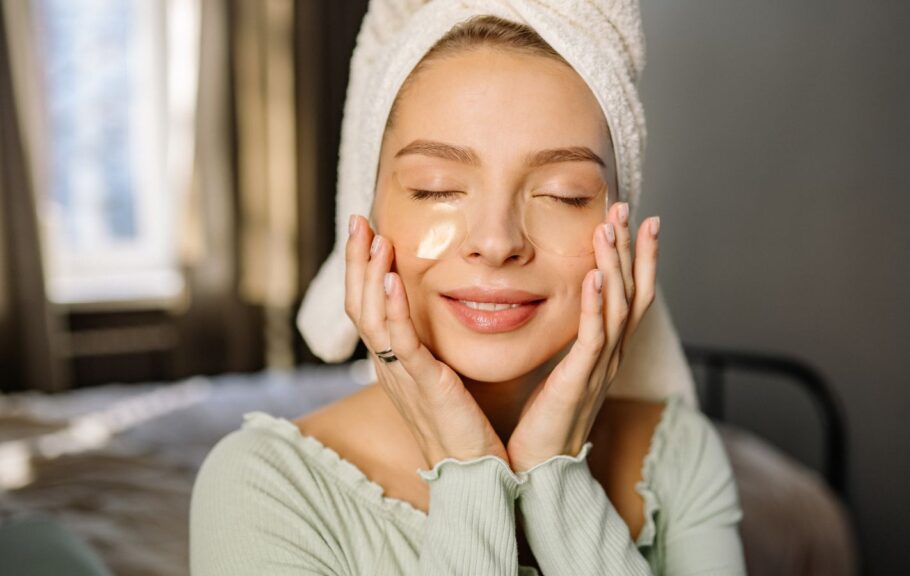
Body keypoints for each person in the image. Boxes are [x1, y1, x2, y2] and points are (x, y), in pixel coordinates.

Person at [190, 6, 745, 576]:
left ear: (620, 231)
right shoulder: (262, 485)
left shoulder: (677, 454)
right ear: (368, 216)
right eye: (436, 189)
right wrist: (469, 472)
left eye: (564, 194)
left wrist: (556, 476)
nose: (496, 242)